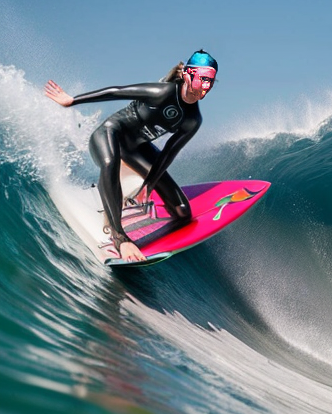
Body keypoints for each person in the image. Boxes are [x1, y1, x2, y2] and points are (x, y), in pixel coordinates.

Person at [45, 49, 218, 262]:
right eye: (203, 79)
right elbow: (117, 91)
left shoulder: (193, 120)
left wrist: (149, 186)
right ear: (188, 74)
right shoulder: (162, 92)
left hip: (137, 149)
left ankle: (129, 203)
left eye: (211, 80)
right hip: (109, 135)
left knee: (184, 213)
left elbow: (167, 155)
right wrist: (72, 100)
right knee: (110, 164)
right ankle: (119, 236)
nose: (207, 86)